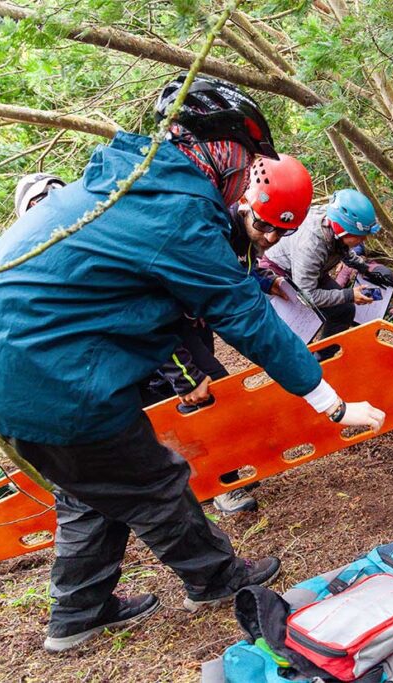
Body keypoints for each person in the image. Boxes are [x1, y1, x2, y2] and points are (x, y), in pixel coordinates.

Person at [0, 75, 384, 654]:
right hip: (43, 373)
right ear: (218, 150)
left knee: (95, 487)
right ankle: (214, 580)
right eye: (245, 160)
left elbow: (146, 306)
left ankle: (79, 613)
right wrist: (332, 403)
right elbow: (246, 315)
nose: (245, 180)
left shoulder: (134, 185)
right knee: (154, 480)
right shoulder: (173, 212)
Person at [142, 152, 315, 514]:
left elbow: (237, 278)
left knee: (207, 393)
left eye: (282, 232)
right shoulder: (204, 230)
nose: (271, 237)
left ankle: (217, 470)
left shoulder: (243, 238)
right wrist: (183, 374)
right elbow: (147, 312)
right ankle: (217, 481)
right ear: (244, 205)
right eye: (265, 226)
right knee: (205, 394)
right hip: (160, 331)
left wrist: (266, 283)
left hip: (193, 322)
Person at [261, 188, 393, 342]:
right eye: (360, 236)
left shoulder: (334, 222)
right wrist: (349, 295)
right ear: (343, 231)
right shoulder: (311, 244)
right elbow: (308, 295)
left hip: (311, 271)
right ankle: (308, 361)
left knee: (344, 311)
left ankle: (323, 359)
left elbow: (342, 249)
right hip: (280, 272)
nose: (364, 240)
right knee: (299, 333)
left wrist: (364, 268)